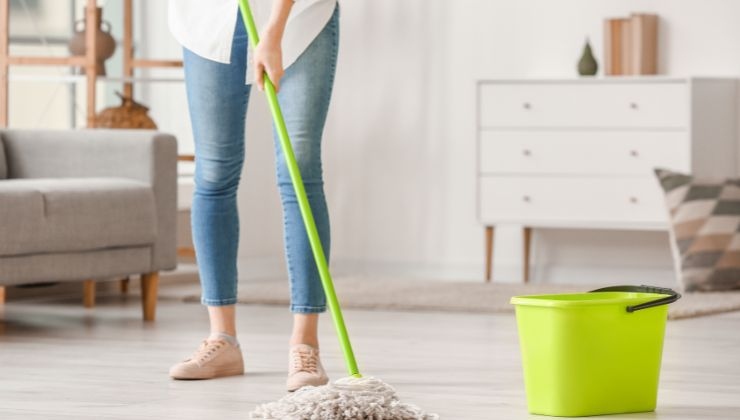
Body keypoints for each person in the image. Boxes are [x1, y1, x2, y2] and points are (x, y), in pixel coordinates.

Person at [166, 0, 339, 391]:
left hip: (297, 18)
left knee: (299, 168)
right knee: (212, 173)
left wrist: (274, 30)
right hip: (208, 19)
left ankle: (304, 342)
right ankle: (222, 340)